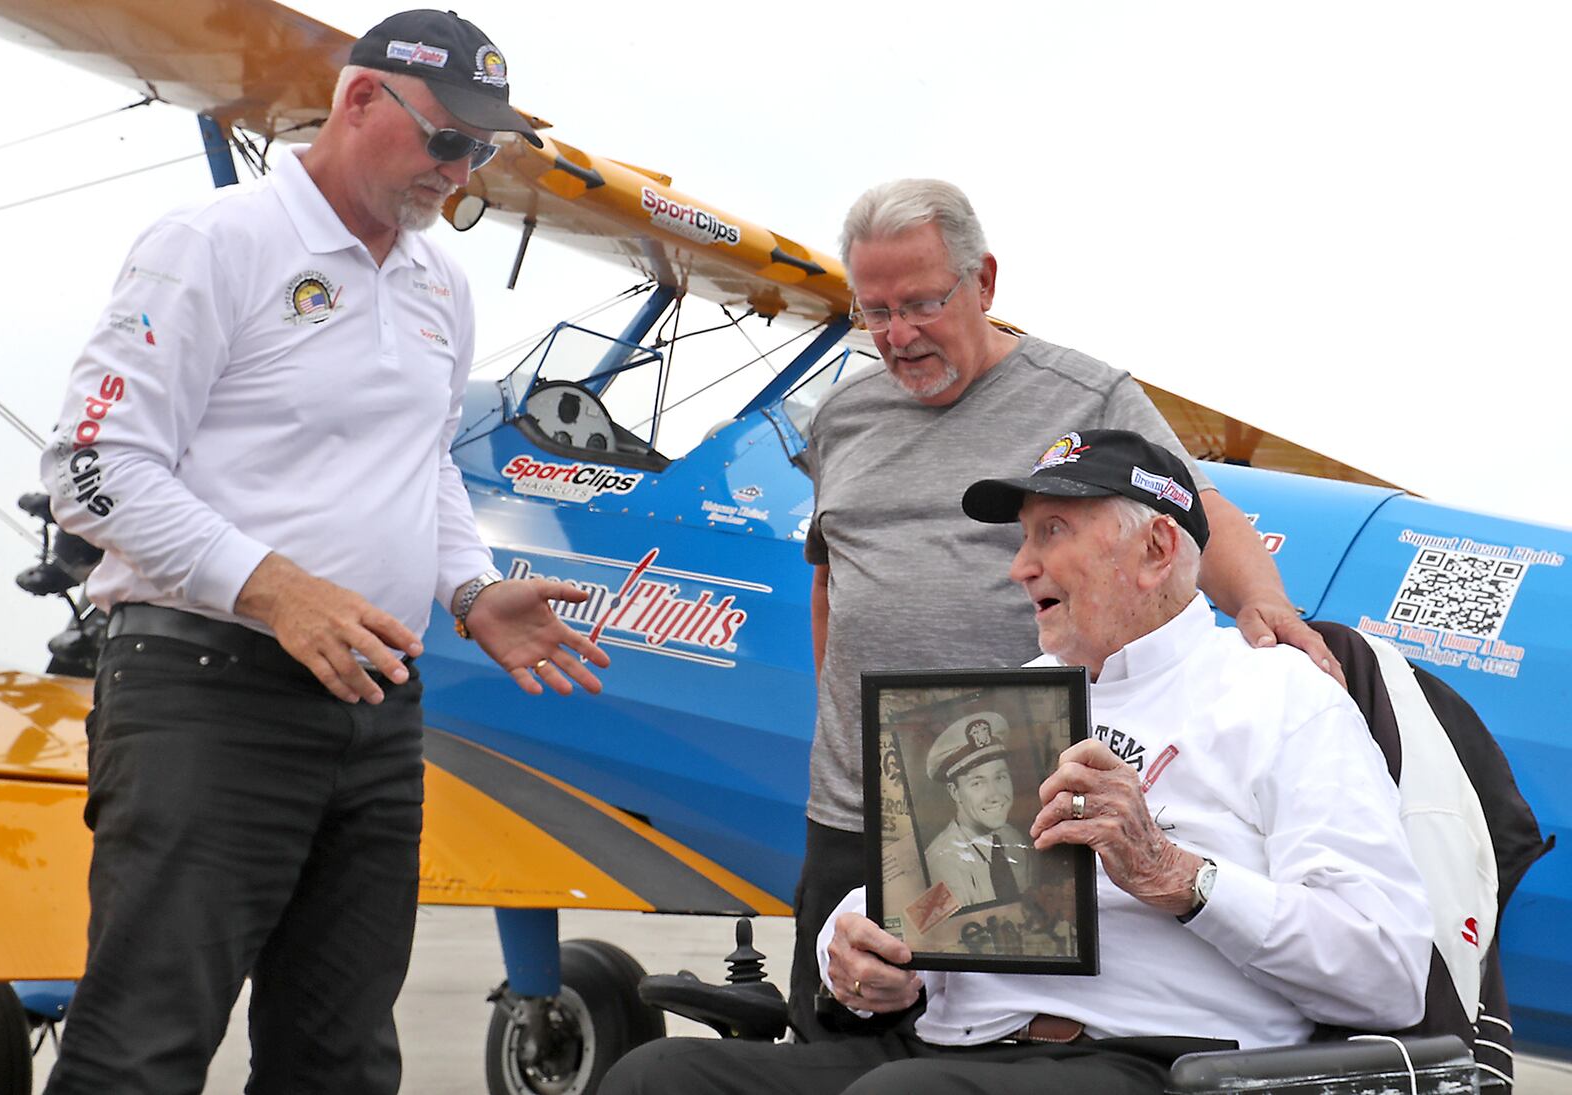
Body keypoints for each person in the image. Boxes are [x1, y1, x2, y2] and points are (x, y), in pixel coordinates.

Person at [37, 11, 610, 1093]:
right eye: (446, 141)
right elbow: (90, 465)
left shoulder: (442, 284)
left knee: (341, 1058)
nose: (460, 171)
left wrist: (469, 586)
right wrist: (272, 588)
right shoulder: (215, 243)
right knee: (145, 1050)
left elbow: (424, 462)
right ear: (357, 101)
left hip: (374, 706)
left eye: (480, 151)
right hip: (208, 695)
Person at [603, 429, 1432, 1095]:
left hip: (1161, 1061)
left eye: (1053, 532)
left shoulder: (1279, 695)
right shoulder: (1000, 701)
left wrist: (1178, 873)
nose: (1019, 565)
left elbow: (1388, 974)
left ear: (1154, 549)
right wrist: (848, 949)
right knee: (657, 1074)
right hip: (941, 1046)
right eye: (1023, 535)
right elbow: (909, 889)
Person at [791, 177, 1344, 1039]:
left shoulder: (1085, 395)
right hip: (853, 808)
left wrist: (1267, 607)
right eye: (874, 311)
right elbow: (832, 575)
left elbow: (1193, 508)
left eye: (923, 303)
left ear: (984, 284)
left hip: (1012, 806)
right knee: (828, 1043)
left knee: (949, 1064)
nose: (897, 335)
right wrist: (839, 722)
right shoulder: (842, 416)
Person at [920, 712, 1031, 907]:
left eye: (1000, 777)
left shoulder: (1014, 841)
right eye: (977, 783)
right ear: (954, 791)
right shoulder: (940, 865)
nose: (995, 794)